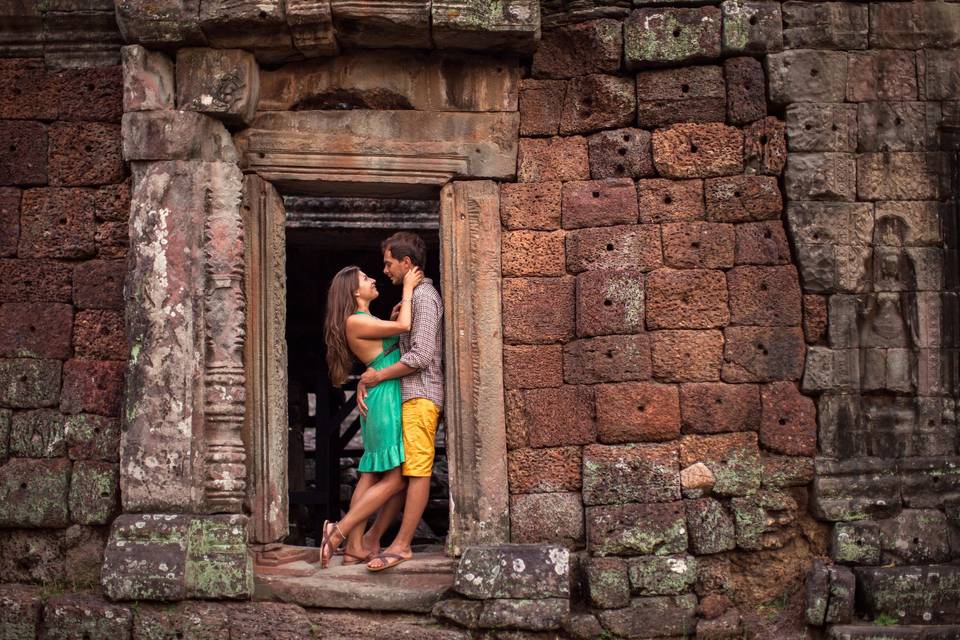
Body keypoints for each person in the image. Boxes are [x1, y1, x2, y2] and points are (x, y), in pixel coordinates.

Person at [320, 263, 423, 568]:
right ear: (354, 290)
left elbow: (381, 352)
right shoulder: (354, 320)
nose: (373, 279)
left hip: (381, 395)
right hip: (384, 401)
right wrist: (407, 289)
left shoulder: (365, 319)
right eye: (365, 278)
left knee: (371, 473)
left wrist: (371, 370)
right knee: (395, 479)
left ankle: (354, 548)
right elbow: (405, 327)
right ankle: (338, 531)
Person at [357, 232, 444, 572]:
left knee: (417, 471)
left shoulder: (423, 297)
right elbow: (407, 349)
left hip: (421, 396)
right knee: (406, 471)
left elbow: (421, 356)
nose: (385, 270)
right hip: (409, 396)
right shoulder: (414, 299)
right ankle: (373, 539)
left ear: (407, 264)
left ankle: (403, 545)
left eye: (389, 263)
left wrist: (379, 377)